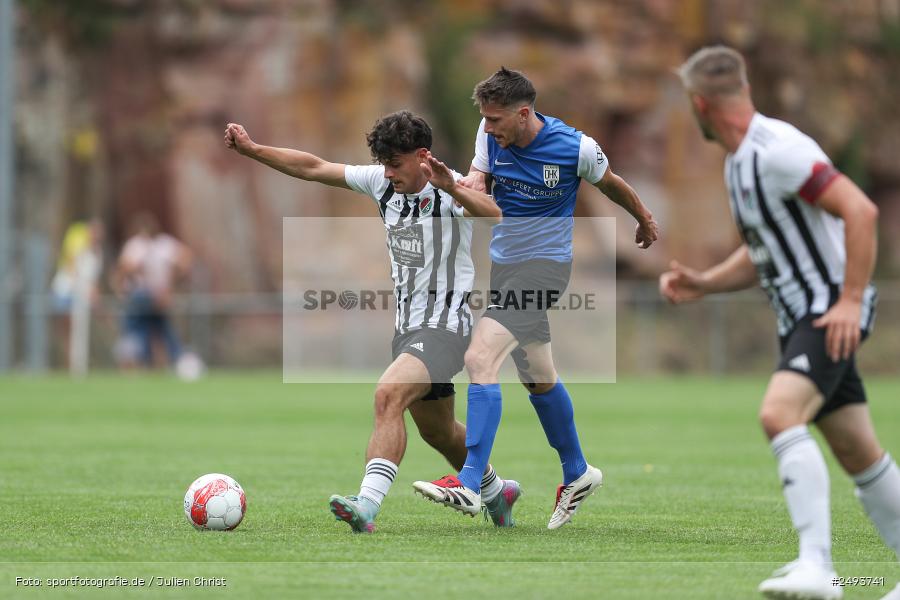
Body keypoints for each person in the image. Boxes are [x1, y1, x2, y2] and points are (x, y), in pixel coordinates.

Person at [660, 46, 900, 600]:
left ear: (700, 104)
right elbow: (762, 250)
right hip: (801, 318)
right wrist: (705, 283)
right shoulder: (738, 162)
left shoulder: (778, 151)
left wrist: (850, 300)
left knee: (779, 414)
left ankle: (818, 566)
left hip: (828, 310)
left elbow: (860, 210)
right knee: (857, 450)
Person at [224, 110, 522, 533]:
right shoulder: (382, 183)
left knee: (387, 395)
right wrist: (254, 150)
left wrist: (453, 186)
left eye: (395, 164)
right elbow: (313, 167)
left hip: (446, 327)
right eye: (383, 164)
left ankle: (366, 505)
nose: (387, 173)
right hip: (408, 330)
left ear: (423, 156)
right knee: (438, 433)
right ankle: (497, 492)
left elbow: (496, 215)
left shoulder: (450, 187)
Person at [412, 68, 659, 529]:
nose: (488, 127)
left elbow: (612, 183)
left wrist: (643, 218)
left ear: (524, 113)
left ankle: (470, 482)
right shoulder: (489, 137)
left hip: (545, 269)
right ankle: (578, 471)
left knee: (480, 357)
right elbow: (479, 186)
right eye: (484, 119)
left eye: (496, 119)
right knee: (538, 377)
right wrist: (456, 185)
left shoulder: (575, 148)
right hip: (506, 270)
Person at [114, 212, 193, 369]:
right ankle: (163, 360)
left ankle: (170, 360)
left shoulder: (162, 244)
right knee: (147, 330)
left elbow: (185, 259)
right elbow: (126, 268)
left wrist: (171, 284)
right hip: (143, 296)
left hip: (152, 295)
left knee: (152, 330)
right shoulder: (137, 245)